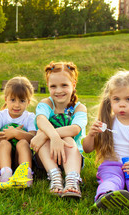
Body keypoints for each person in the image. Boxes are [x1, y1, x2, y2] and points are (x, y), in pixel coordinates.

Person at [82, 70, 129, 210]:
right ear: (110, 101)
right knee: (111, 180)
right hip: (111, 166)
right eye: (116, 99)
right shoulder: (106, 123)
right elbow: (87, 149)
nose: (122, 104)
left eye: (128, 99)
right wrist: (91, 135)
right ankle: (106, 197)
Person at [30, 61, 87, 198]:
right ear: (48, 87)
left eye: (64, 85)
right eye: (53, 86)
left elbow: (74, 129)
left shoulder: (79, 108)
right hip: (46, 158)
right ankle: (55, 177)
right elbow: (41, 120)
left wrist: (49, 135)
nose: (59, 90)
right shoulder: (46, 104)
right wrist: (53, 138)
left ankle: (72, 180)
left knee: (63, 136)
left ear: (73, 85)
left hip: (72, 157)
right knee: (41, 130)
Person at [0, 77, 36, 186]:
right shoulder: (0, 116)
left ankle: (25, 173)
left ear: (28, 102)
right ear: (6, 99)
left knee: (23, 143)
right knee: (4, 143)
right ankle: (5, 173)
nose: (17, 105)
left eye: (22, 101)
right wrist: (7, 135)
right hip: (1, 157)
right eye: (13, 100)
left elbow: (33, 138)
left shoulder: (30, 117)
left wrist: (16, 134)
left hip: (19, 158)